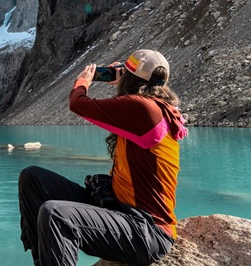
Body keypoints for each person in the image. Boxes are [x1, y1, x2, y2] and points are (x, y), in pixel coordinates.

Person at [18, 49, 188, 265]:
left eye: (125, 72)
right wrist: (126, 81)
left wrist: (82, 82)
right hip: (121, 210)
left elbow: (78, 104)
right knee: (32, 178)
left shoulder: (144, 109)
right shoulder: (147, 109)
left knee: (56, 214)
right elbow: (124, 108)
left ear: (131, 79)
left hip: (148, 230)